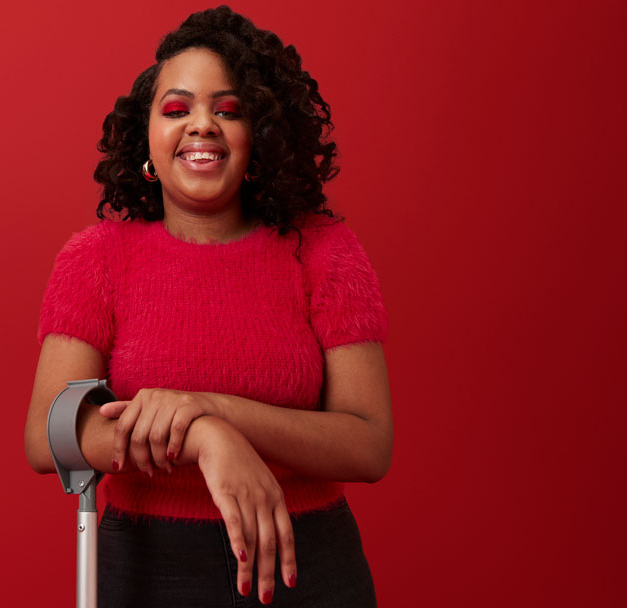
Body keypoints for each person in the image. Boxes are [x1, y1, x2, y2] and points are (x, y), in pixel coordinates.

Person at [24, 6, 391, 607]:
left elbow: (369, 444)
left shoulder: (323, 251)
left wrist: (214, 407)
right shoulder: (96, 258)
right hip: (148, 568)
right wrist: (204, 437)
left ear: (262, 136)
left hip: (307, 566)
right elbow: (48, 435)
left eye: (228, 110)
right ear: (147, 137)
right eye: (177, 110)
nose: (203, 126)